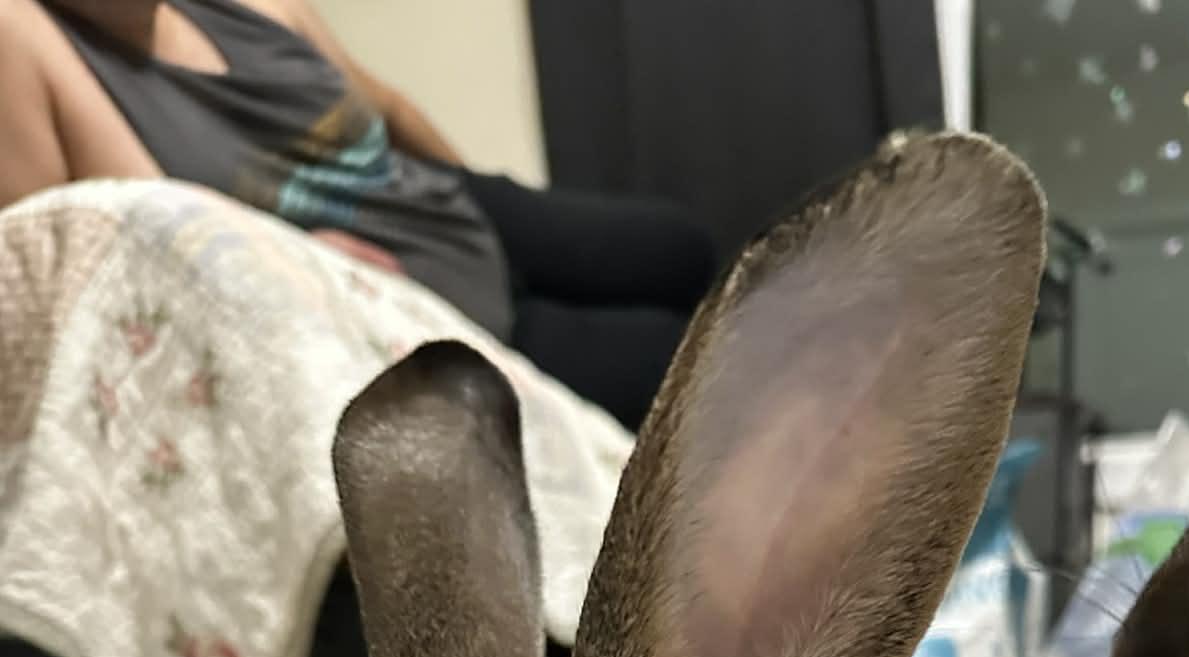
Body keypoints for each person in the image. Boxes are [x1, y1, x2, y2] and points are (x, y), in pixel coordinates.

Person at [0, 0, 719, 428]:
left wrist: (476, 189)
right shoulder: (43, 52)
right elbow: (142, 261)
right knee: (704, 361)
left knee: (687, 249)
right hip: (434, 312)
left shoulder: (245, 9)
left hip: (457, 208)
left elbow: (389, 106)